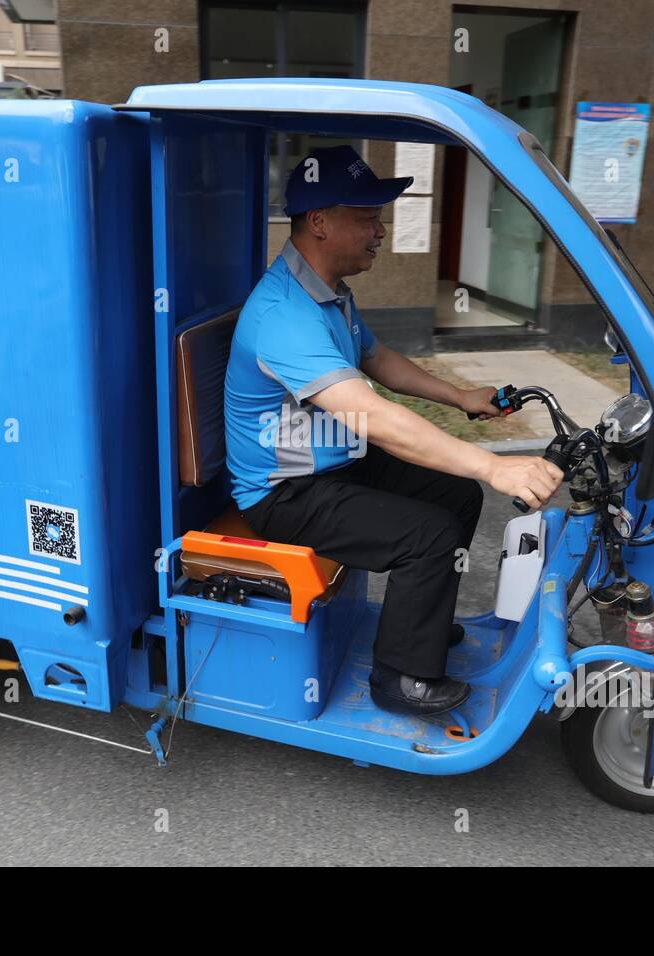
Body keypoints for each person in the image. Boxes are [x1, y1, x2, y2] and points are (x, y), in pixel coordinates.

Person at [223, 144, 563, 716]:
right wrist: (494, 462)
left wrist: (460, 397)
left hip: (331, 459)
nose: (380, 231)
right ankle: (402, 678)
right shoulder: (283, 314)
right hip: (284, 487)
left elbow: (377, 359)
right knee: (426, 533)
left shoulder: (328, 293)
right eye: (366, 219)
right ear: (319, 223)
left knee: (454, 494)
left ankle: (419, 630)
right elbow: (371, 415)